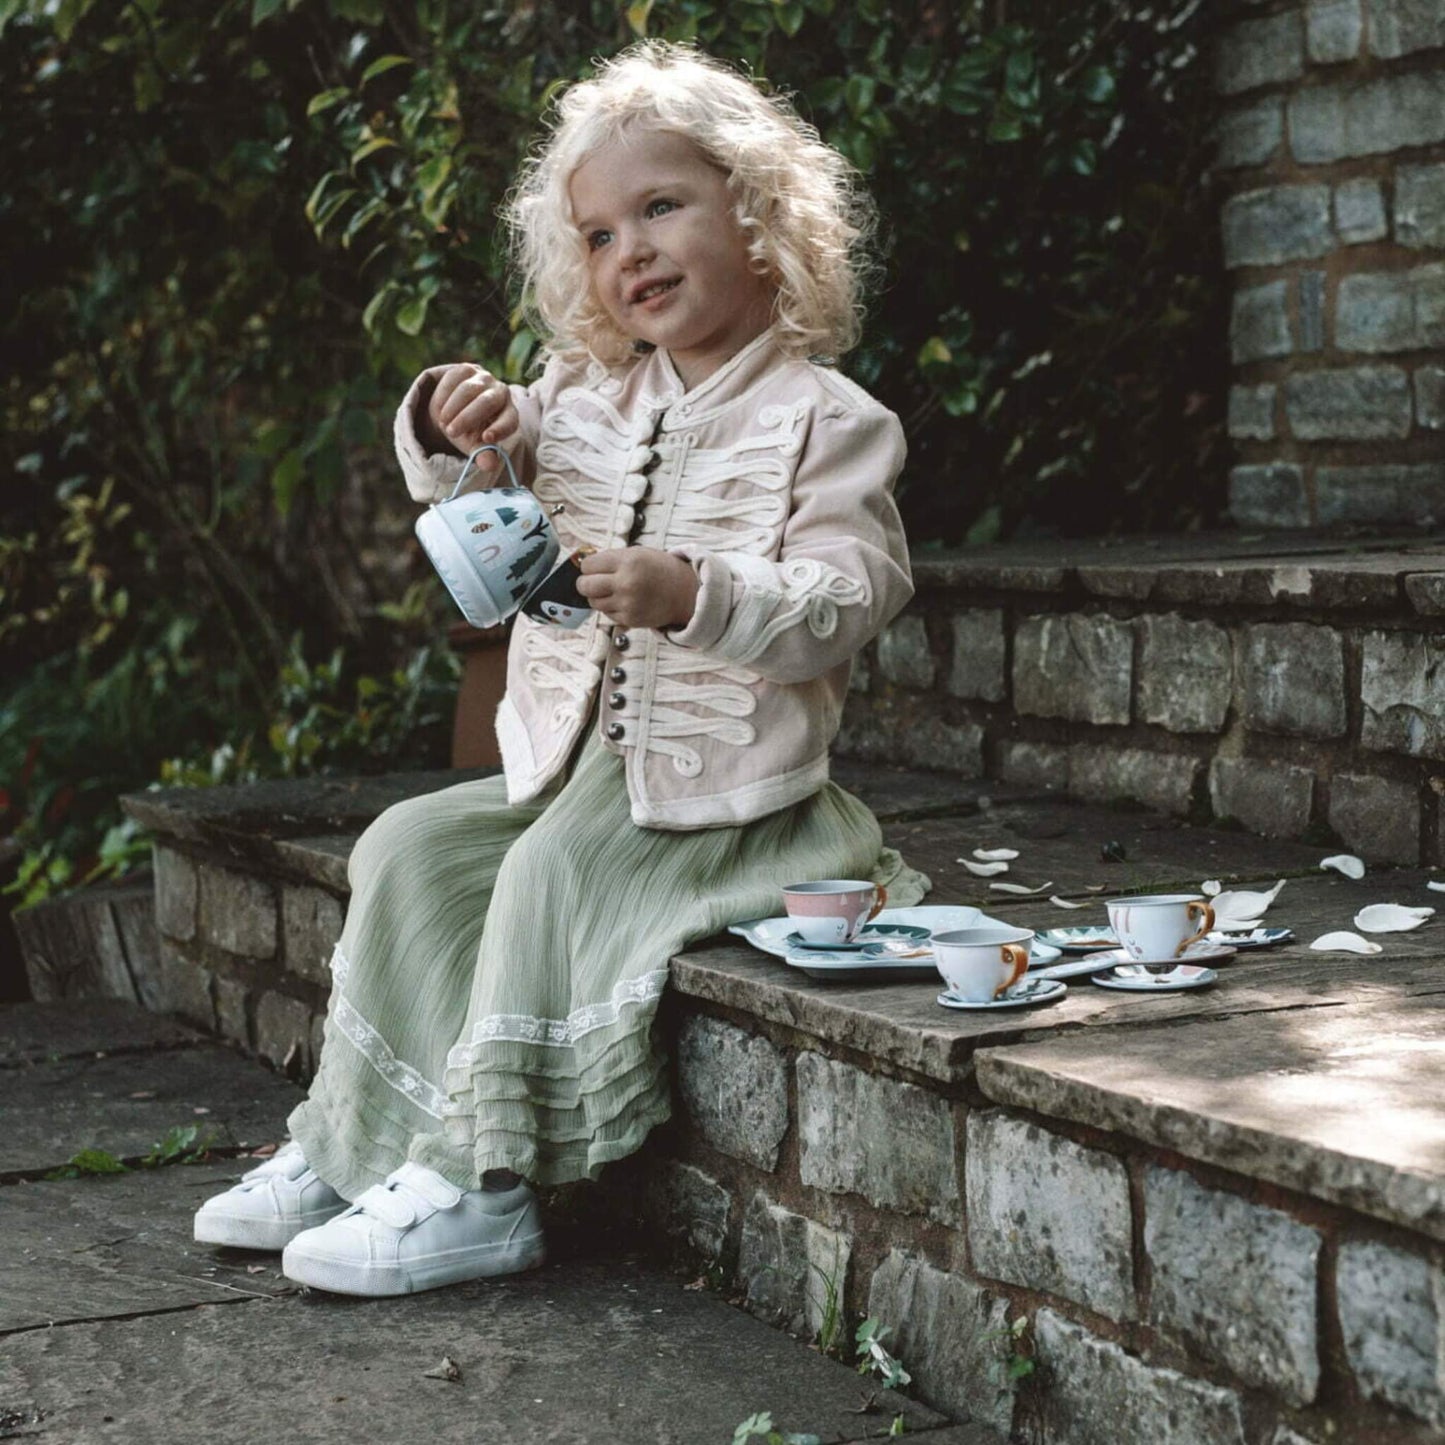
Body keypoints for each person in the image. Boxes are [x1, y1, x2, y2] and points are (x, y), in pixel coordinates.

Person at [193, 39, 928, 1297]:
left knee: (545, 873)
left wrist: (691, 591)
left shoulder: (830, 418)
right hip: (572, 771)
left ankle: (484, 1184)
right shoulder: (586, 395)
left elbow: (848, 598)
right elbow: (488, 451)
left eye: (660, 208)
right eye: (597, 233)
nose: (627, 251)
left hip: (730, 802)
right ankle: (358, 1142)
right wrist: (452, 418)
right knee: (409, 845)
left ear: (757, 221)